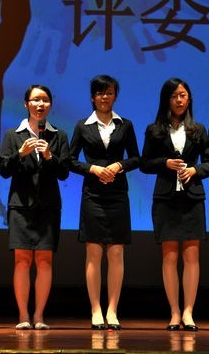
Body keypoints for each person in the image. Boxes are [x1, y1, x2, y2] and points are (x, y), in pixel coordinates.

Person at [140, 78, 209, 331]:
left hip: (192, 198)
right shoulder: (154, 130)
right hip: (166, 199)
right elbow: (145, 163)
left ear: (189, 98)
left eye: (183, 95)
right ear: (166, 100)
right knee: (170, 256)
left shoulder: (198, 130)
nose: (179, 100)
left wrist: (195, 170)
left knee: (192, 255)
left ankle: (189, 312)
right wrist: (165, 163)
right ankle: (174, 312)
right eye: (174, 96)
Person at [68, 75, 140, 331]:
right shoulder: (82, 126)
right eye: (100, 93)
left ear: (115, 96)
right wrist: (93, 169)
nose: (104, 97)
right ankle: (96, 309)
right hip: (93, 195)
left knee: (117, 252)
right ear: (92, 97)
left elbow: (136, 158)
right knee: (94, 252)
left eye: (109, 92)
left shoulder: (125, 124)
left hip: (118, 194)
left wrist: (119, 165)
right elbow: (69, 160)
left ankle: (112, 309)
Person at [0, 85, 70, 330]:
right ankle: (23, 315)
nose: (40, 104)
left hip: (48, 206)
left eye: (45, 100)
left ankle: (39, 315)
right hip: (20, 205)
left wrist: (50, 157)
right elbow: (4, 170)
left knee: (44, 261)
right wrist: (20, 154)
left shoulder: (58, 135)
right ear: (26, 104)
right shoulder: (13, 135)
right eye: (35, 100)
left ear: (50, 104)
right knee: (21, 260)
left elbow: (64, 173)